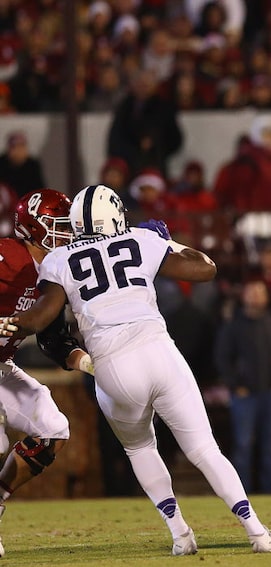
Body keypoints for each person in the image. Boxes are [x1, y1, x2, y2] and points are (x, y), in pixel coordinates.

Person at [0, 185, 271, 555]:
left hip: (110, 366)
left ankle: (181, 533)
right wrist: (166, 241)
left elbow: (46, 324)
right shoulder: (138, 238)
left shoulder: (58, 261)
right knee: (204, 448)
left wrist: (21, 325)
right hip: (160, 352)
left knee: (122, 444)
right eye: (57, 223)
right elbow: (205, 269)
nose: (64, 230)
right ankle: (257, 532)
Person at [0, 189, 94, 557]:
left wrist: (88, 363)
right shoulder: (8, 255)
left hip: (2, 365)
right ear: (33, 226)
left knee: (53, 428)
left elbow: (53, 339)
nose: (66, 235)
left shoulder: (57, 270)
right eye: (57, 226)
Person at [213, 278, 271, 494]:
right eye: (252, 291)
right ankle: (241, 494)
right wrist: (235, 385)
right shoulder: (233, 327)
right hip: (244, 396)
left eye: (260, 291)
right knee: (243, 446)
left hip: (270, 394)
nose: (256, 296)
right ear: (244, 296)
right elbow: (222, 359)